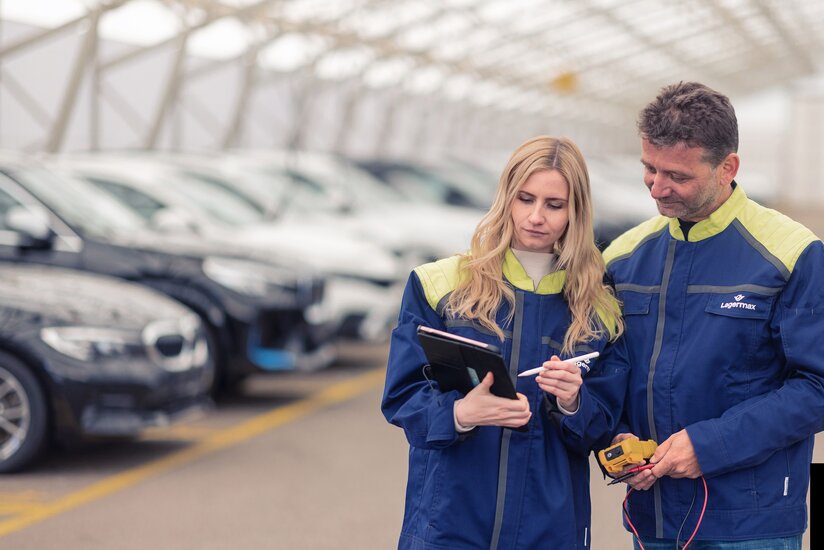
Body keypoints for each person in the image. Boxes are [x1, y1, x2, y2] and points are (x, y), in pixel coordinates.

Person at [603, 81, 824, 549]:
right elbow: (607, 371)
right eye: (649, 168)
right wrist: (616, 431)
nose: (657, 188)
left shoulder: (791, 253)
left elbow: (817, 386)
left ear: (728, 168)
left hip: (751, 522)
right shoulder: (623, 257)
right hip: (653, 515)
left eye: (678, 176)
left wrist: (709, 447)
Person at [381, 135, 631, 549]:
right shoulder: (439, 286)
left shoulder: (599, 309)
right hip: (449, 524)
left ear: (576, 211)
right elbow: (402, 396)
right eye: (525, 199)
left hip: (550, 529)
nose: (536, 216)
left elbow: (602, 426)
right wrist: (461, 412)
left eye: (554, 205)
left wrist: (574, 404)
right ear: (505, 199)